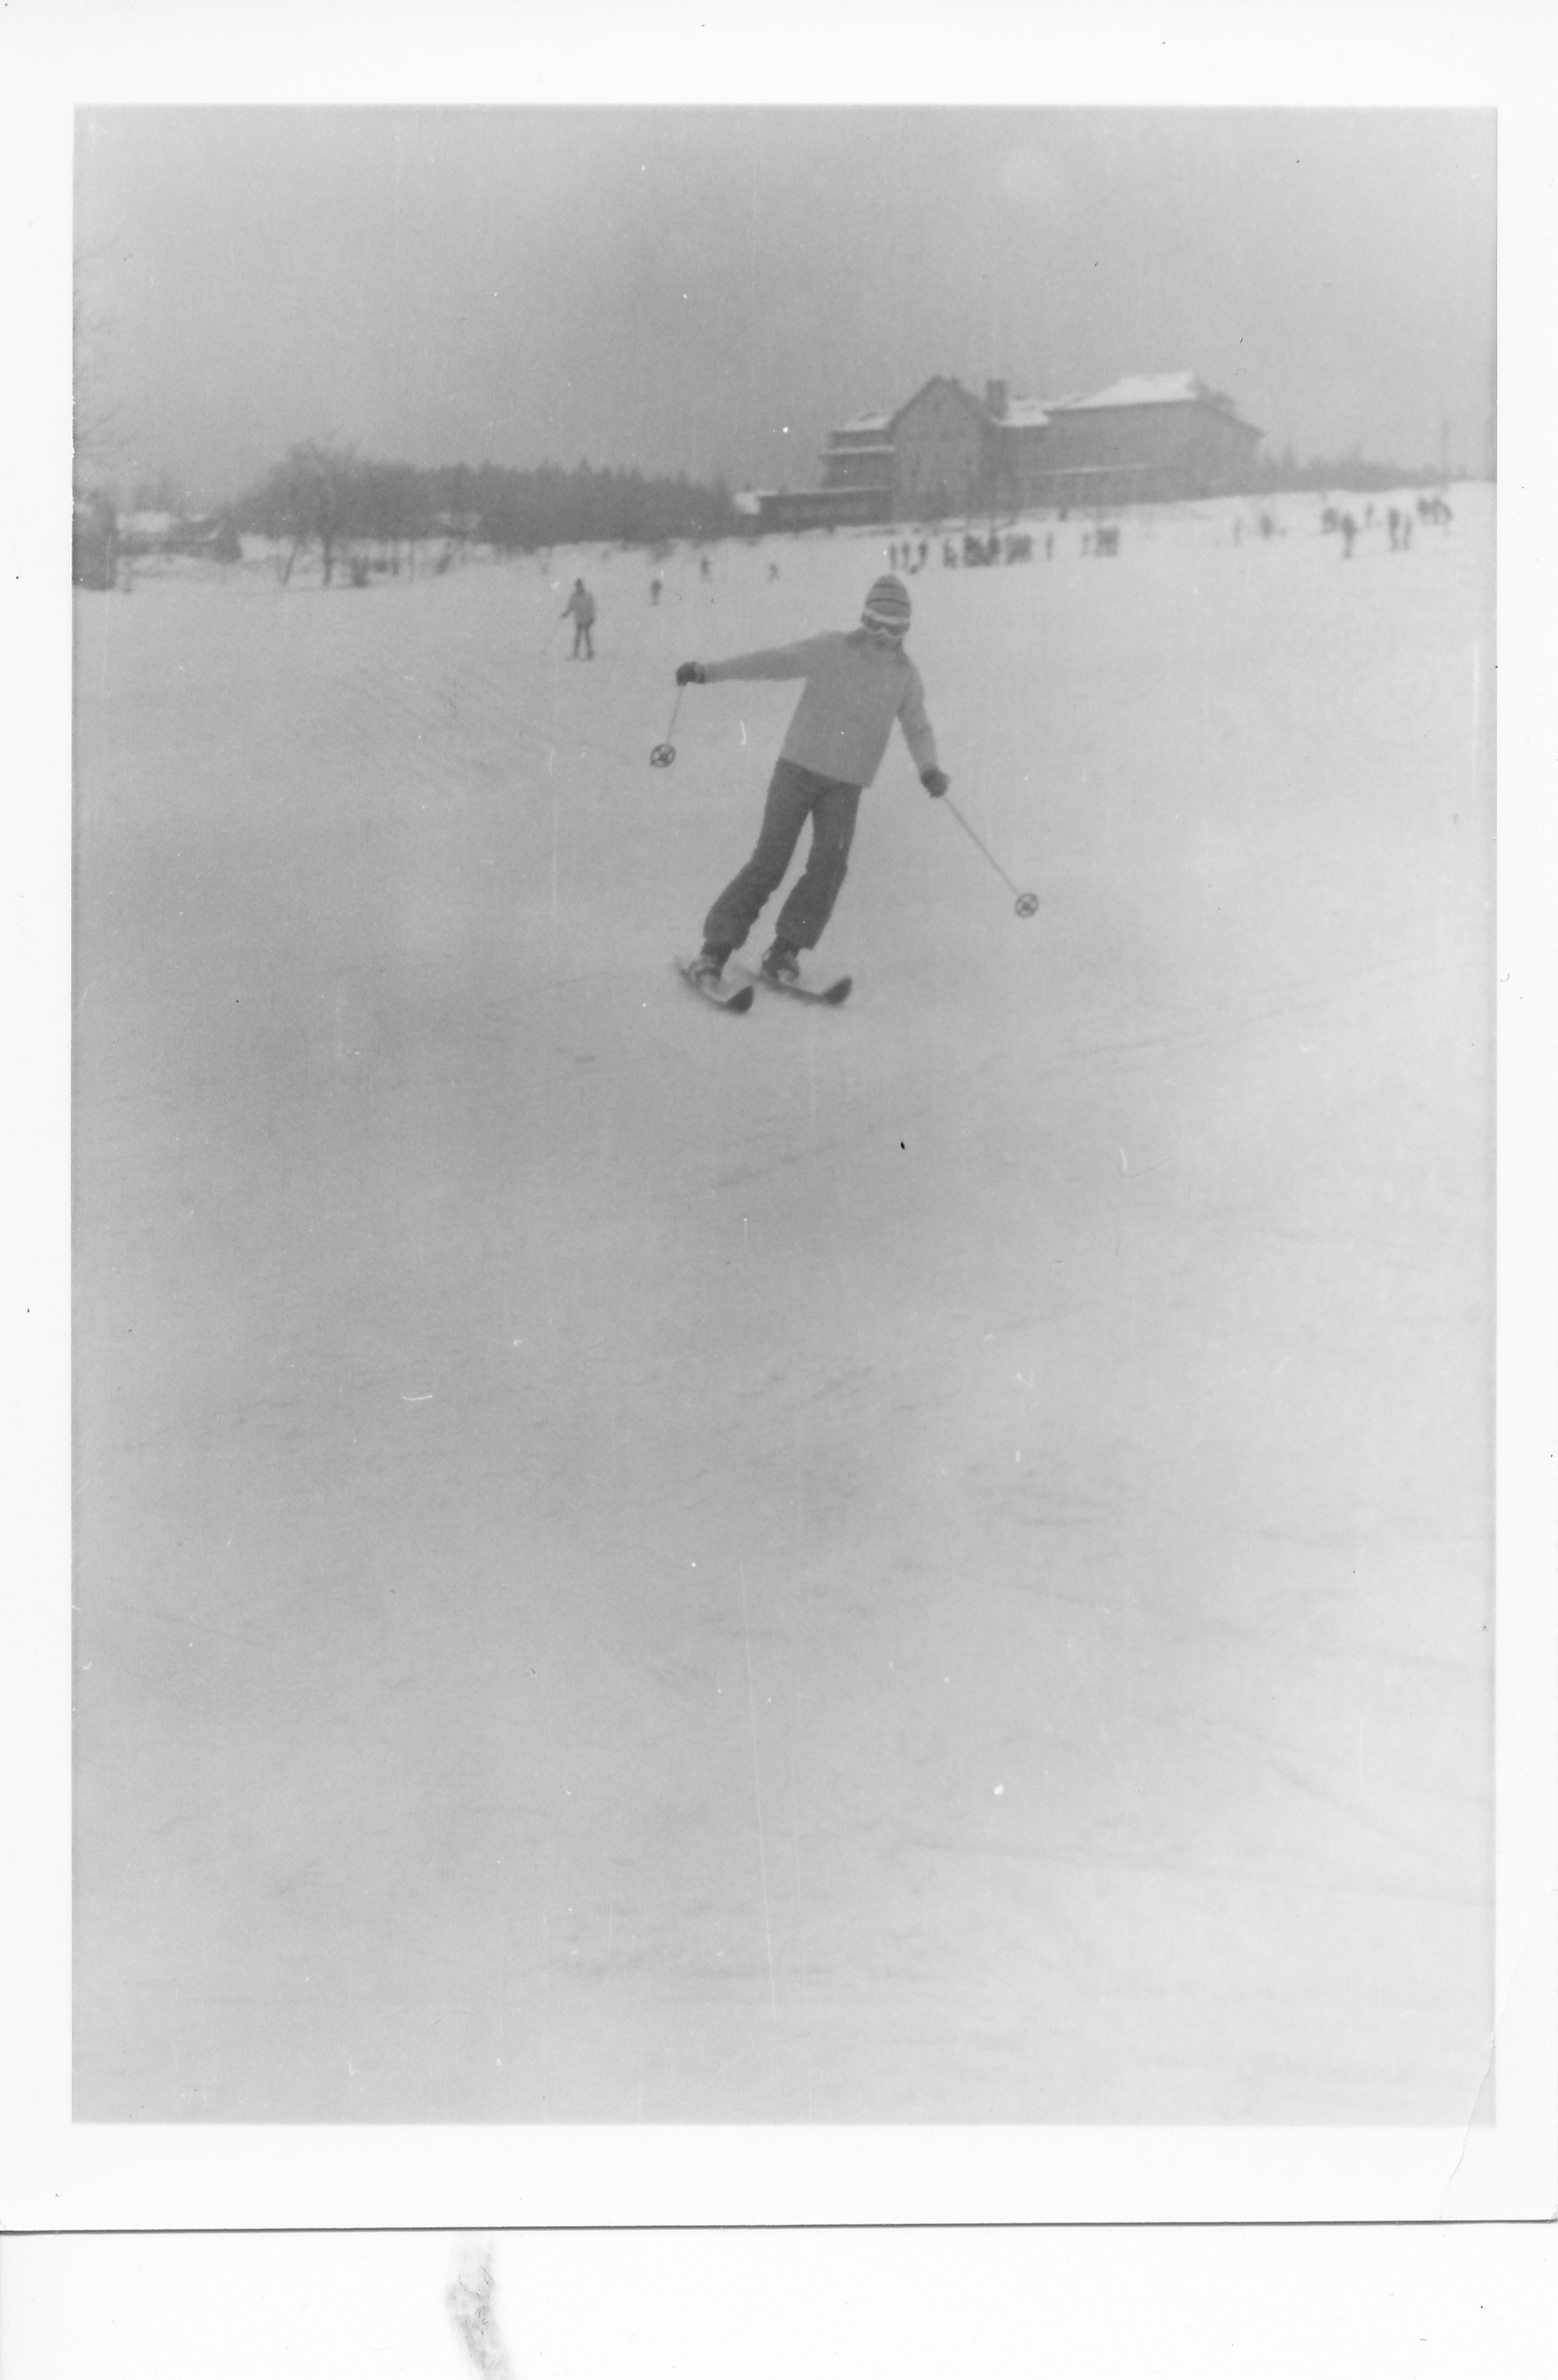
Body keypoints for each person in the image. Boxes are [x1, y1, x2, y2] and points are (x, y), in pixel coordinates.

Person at [677, 574, 949, 987]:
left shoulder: (904, 675)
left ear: (905, 629)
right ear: (864, 619)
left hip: (846, 785)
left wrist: (929, 767)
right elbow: (771, 663)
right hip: (798, 770)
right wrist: (707, 672)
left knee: (829, 866)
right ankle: (714, 951)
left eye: (893, 628)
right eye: (876, 623)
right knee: (770, 860)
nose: (882, 636)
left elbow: (918, 726)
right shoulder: (831, 649)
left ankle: (785, 950)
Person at [561, 578, 596, 658]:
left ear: (582, 586)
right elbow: (570, 606)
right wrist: (566, 613)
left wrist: (592, 616)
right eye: (577, 586)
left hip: (587, 619)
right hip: (578, 620)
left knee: (587, 636)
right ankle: (576, 652)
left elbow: (592, 607)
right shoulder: (573, 596)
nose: (578, 587)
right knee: (578, 636)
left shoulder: (588, 595)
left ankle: (589, 652)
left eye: (579, 585)